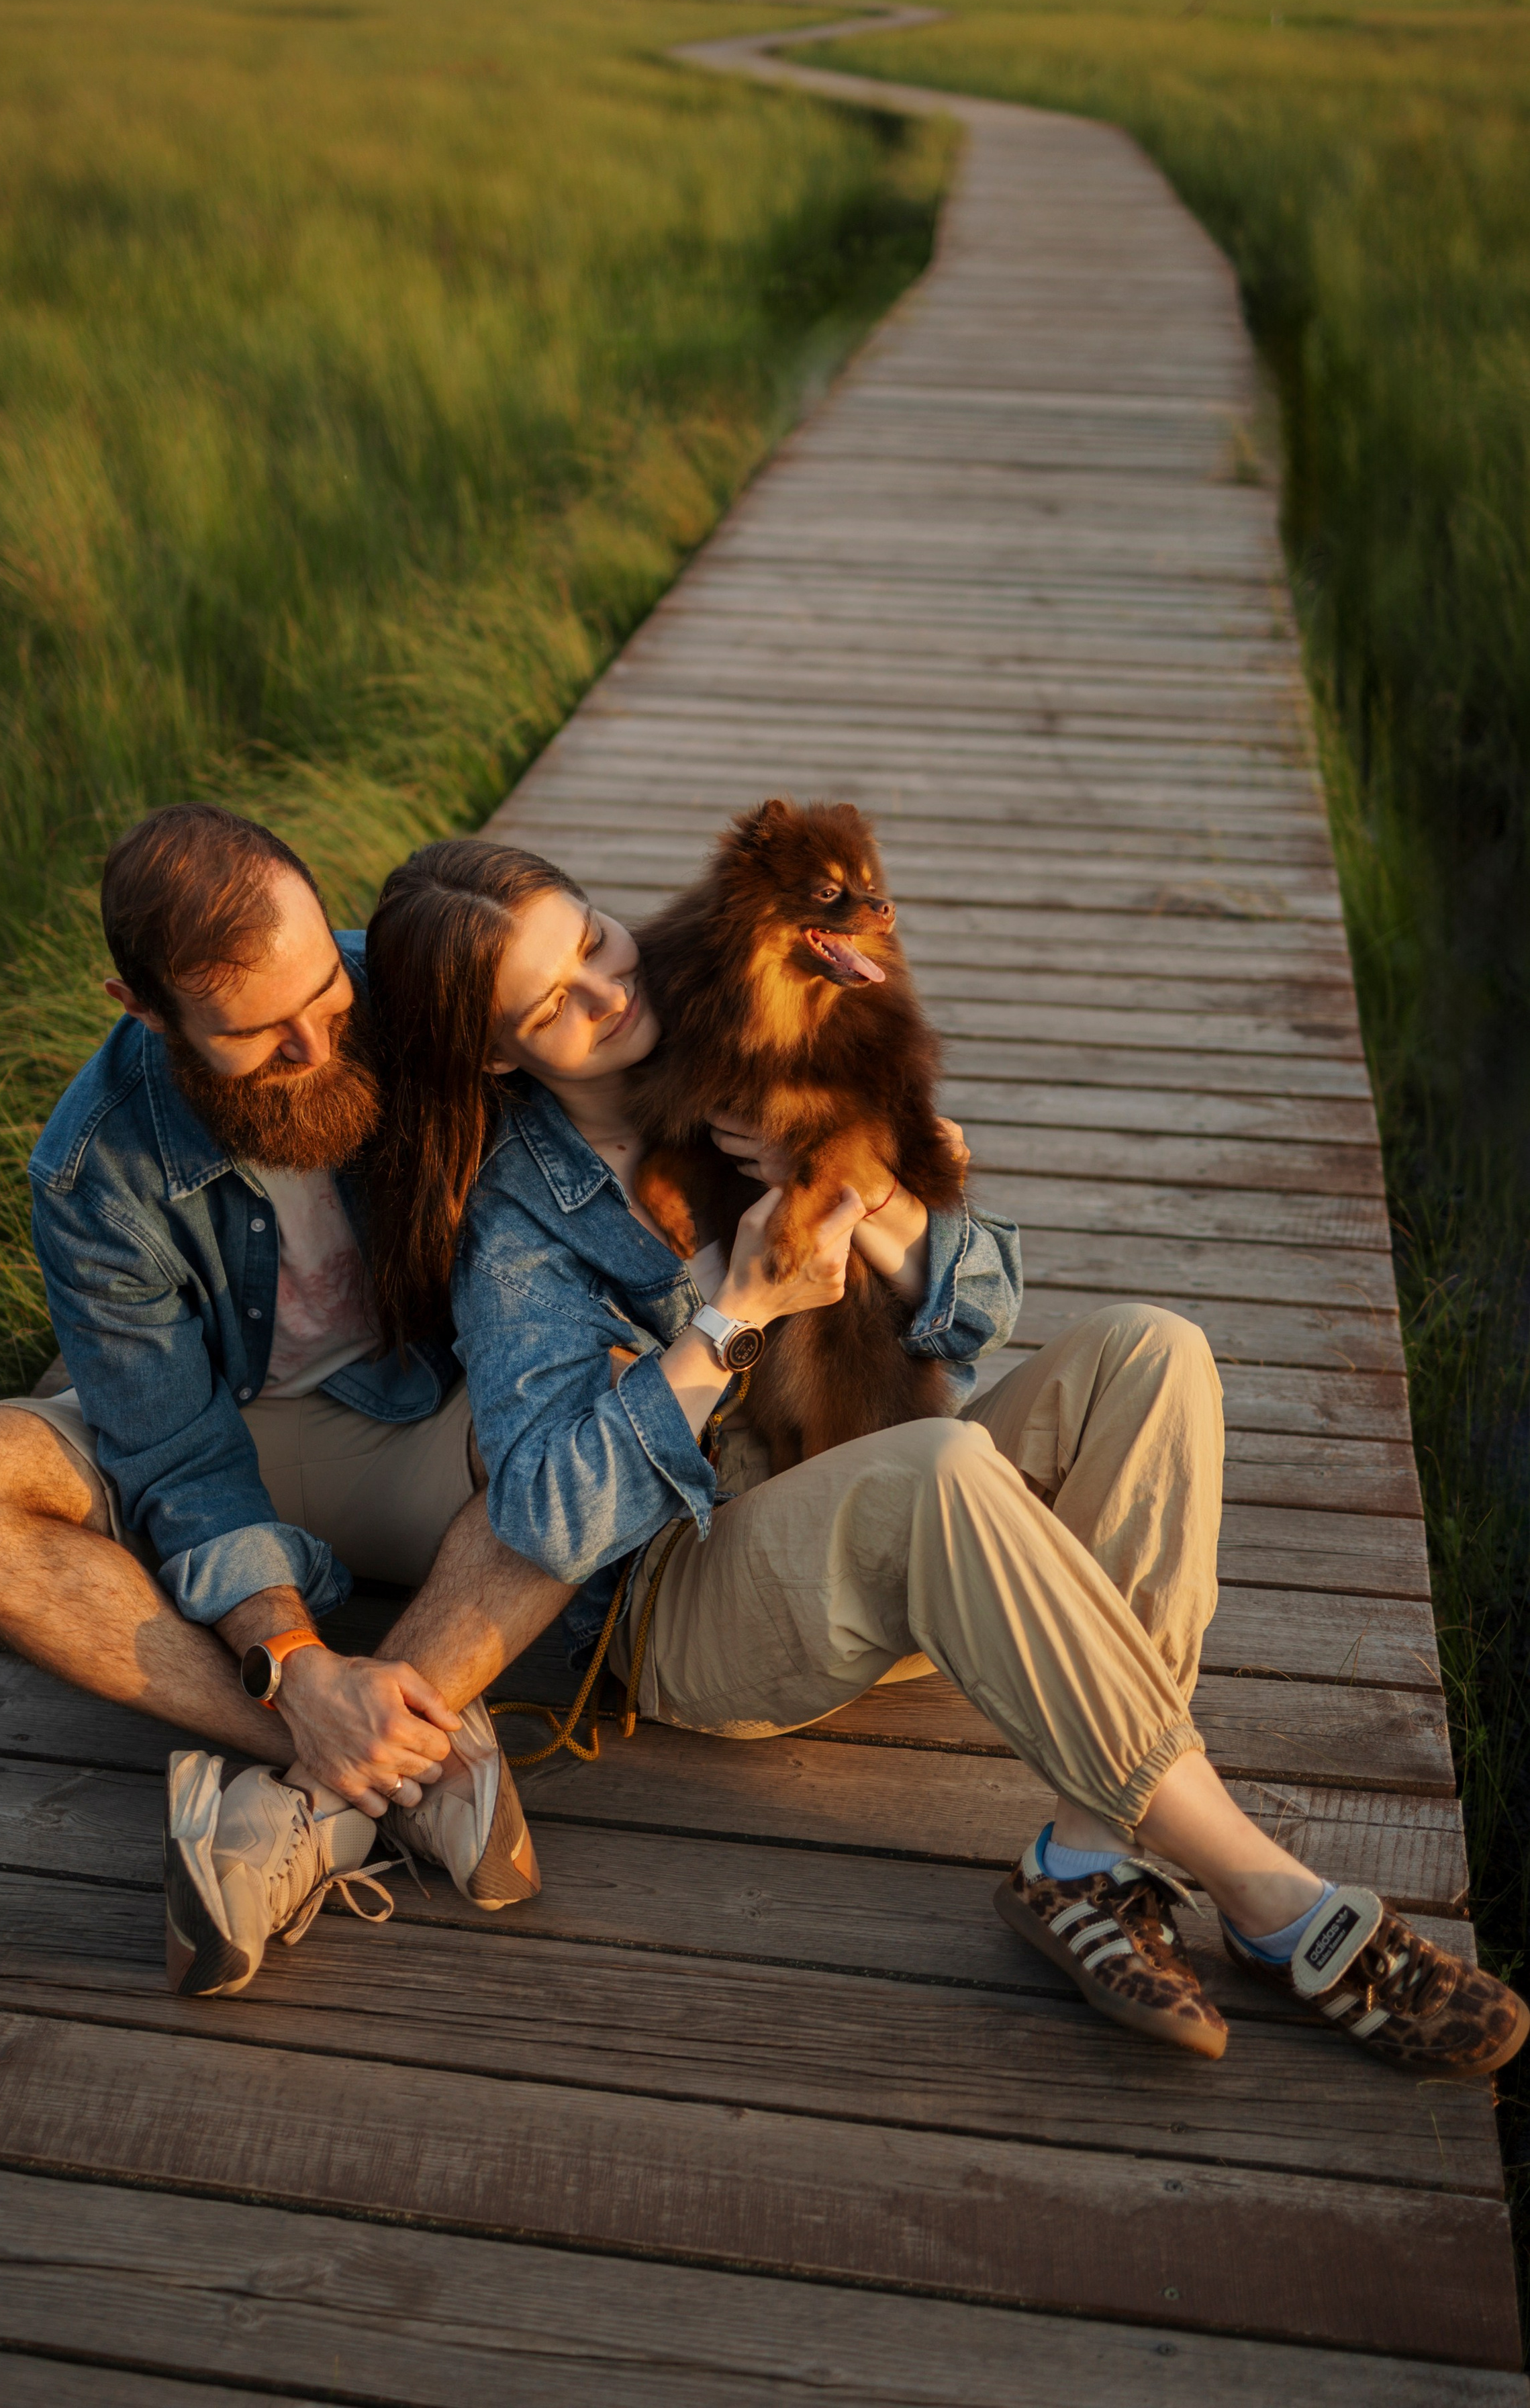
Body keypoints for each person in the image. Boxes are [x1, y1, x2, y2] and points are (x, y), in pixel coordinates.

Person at [359, 833, 1527, 2077]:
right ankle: (1272, 1895)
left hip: (908, 1538)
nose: (609, 992)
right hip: (704, 1604)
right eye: (555, 1003)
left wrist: (897, 1212)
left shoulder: (750, 1040)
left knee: (1156, 1349)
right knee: (942, 1470)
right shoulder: (517, 1223)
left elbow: (980, 1309)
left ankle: (1088, 1851)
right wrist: (731, 1319)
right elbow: (544, 1509)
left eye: (594, 940)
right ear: (496, 1052)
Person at [0, 804, 561, 2001]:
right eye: (255, 1032)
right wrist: (295, 1663)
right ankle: (395, 1755)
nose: (311, 1048)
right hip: (216, 1422)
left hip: (425, 1425)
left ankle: (318, 1796)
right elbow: (178, 1455)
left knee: (589, 1404)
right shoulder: (93, 1169)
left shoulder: (405, 994)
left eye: (324, 1005)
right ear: (142, 1010)